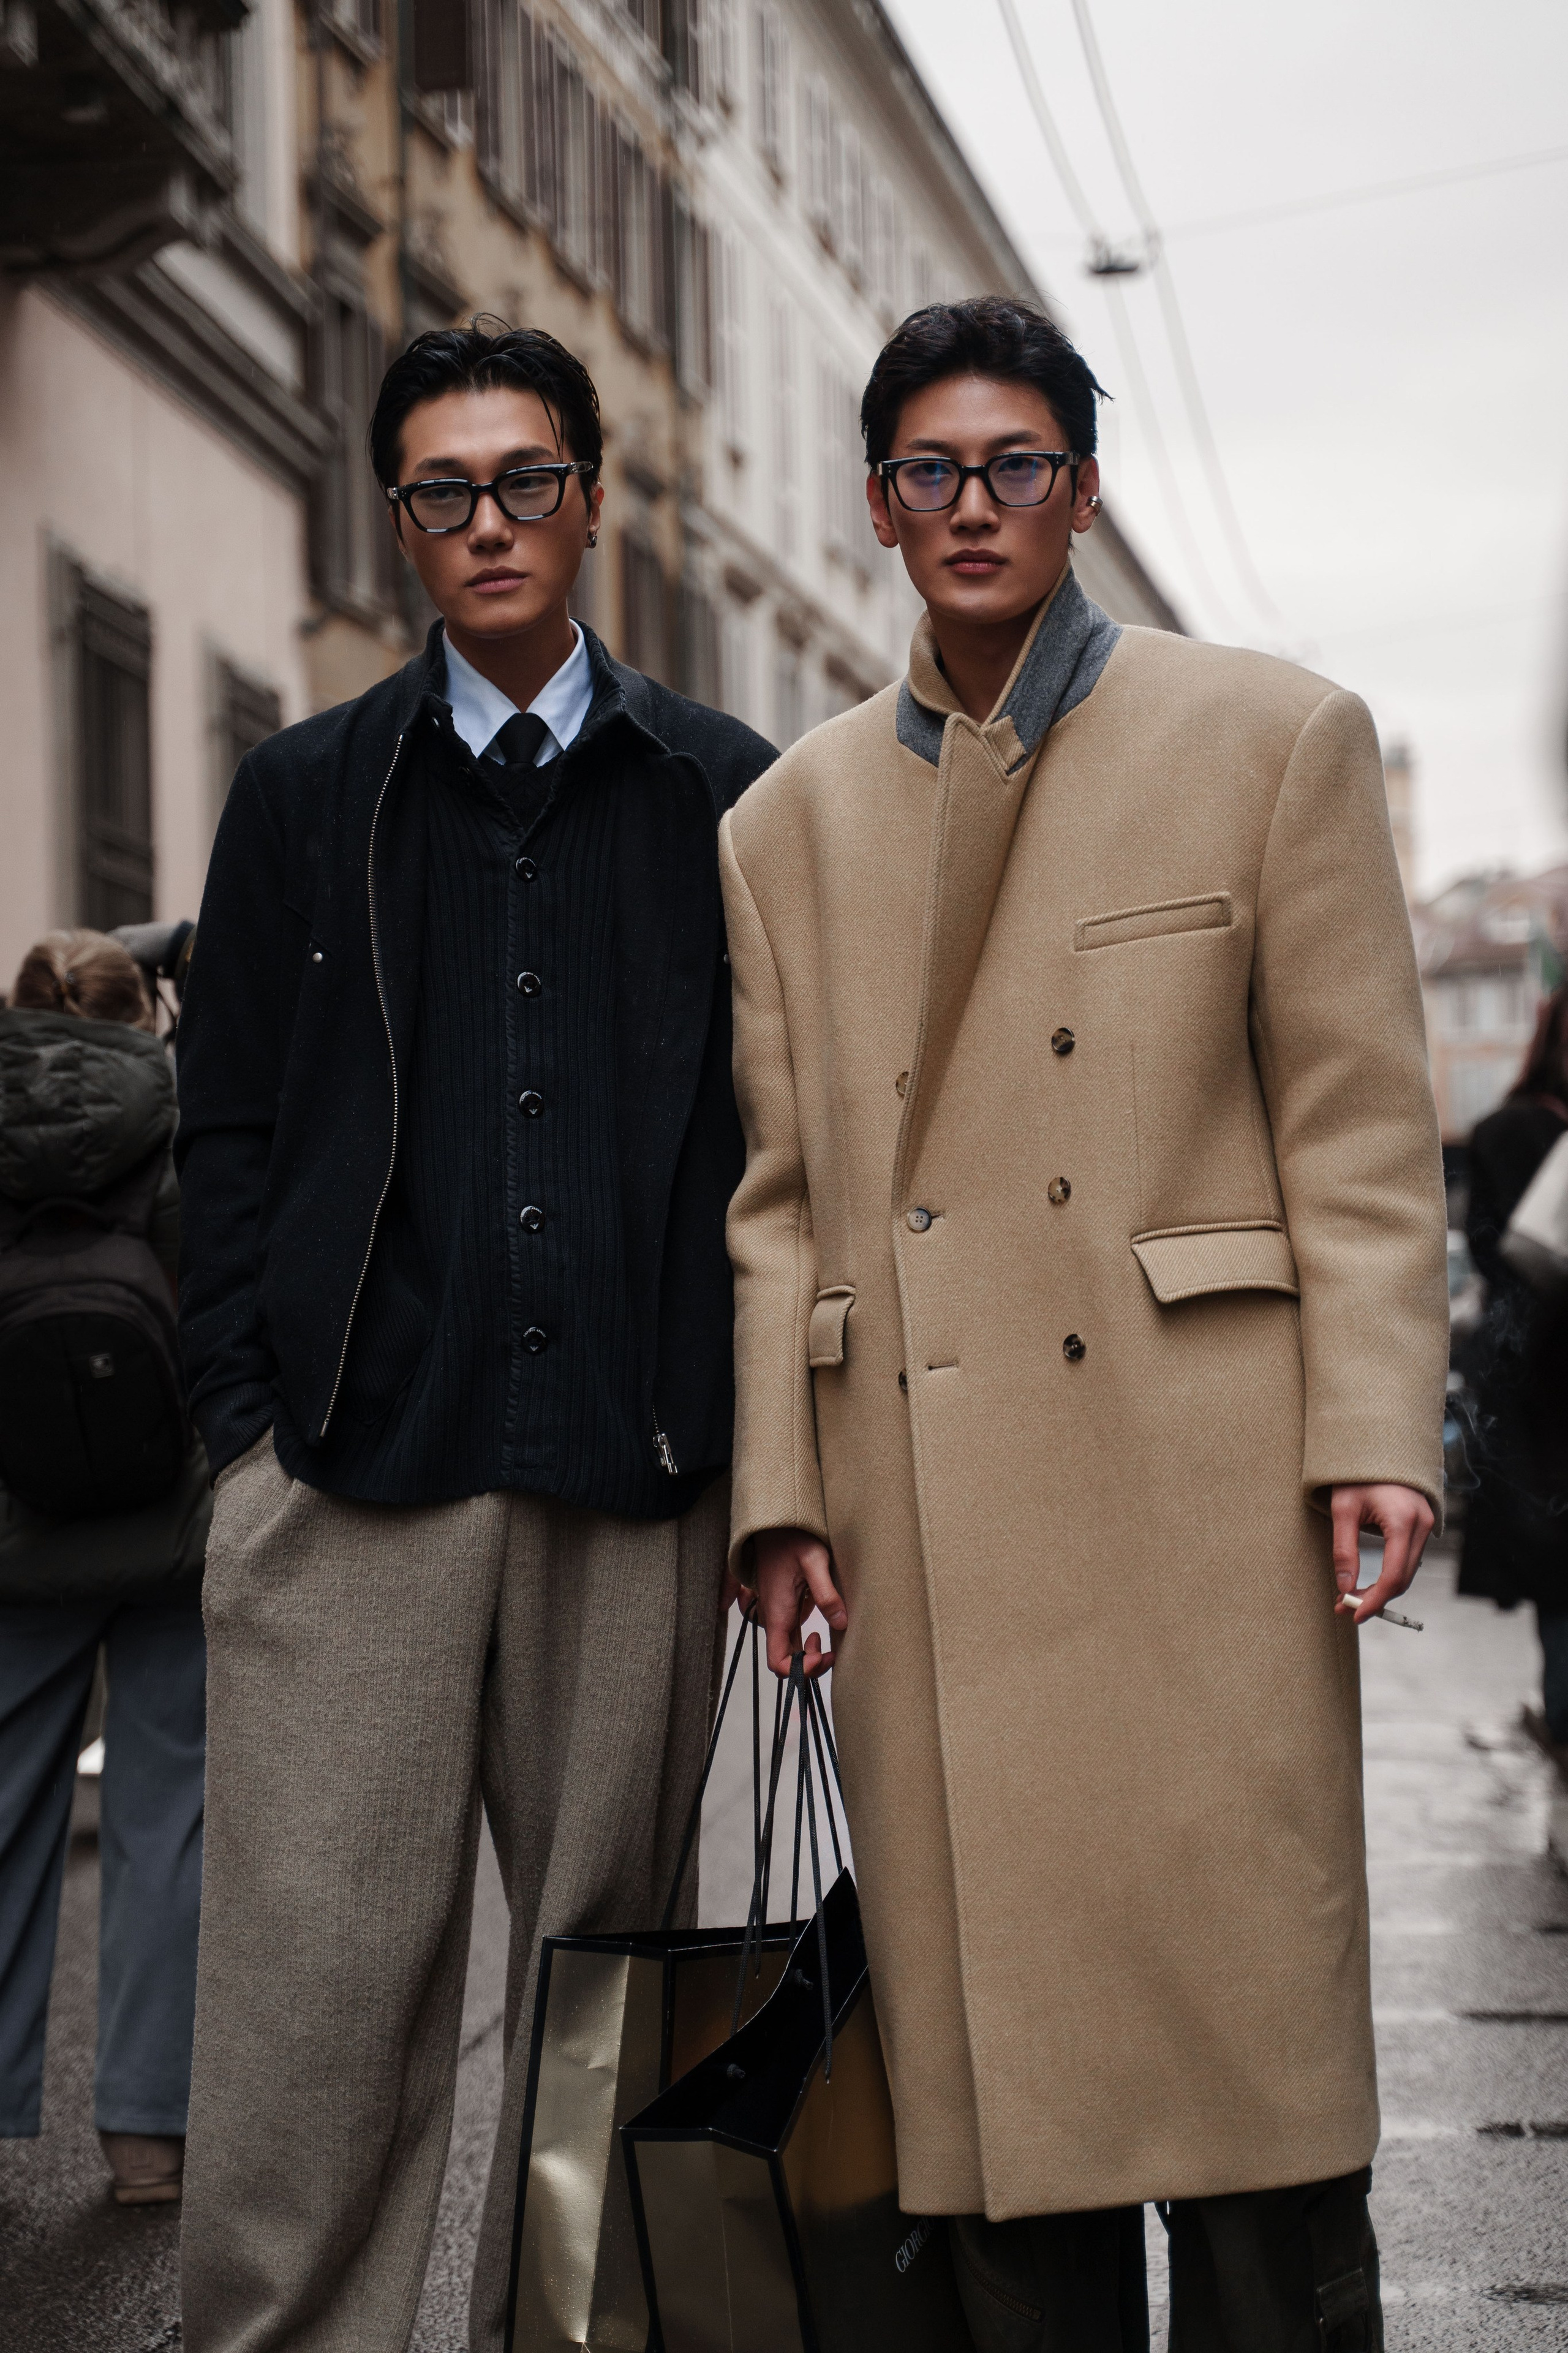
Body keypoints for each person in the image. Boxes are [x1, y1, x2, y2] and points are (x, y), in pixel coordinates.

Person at [722, 298, 1448, 2351]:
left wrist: (1376, 1428)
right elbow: (776, 1206)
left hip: (1195, 1484)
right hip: (927, 1513)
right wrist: (780, 1492)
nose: (976, 504)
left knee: (1249, 2107)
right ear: (877, 506)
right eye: (933, 470)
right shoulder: (781, 827)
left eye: (1017, 464)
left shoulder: (1268, 736)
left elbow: (1363, 1134)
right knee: (996, 2144)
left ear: (1084, 489)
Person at [173, 322, 775, 2352]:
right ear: (403, 523)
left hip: (634, 1478)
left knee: (616, 2004)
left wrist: (758, 1451)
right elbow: (229, 1127)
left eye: (527, 481)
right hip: (351, 1481)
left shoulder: (729, 794)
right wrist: (242, 1439)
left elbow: (786, 1150)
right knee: (316, 2005)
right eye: (445, 492)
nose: (490, 523)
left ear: (595, 500)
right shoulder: (304, 795)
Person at [0, 929, 209, 2207]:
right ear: (148, 1011)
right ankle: (146, 2135)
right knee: (163, 1819)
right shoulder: (180, 1125)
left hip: (13, 1532)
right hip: (168, 1525)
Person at [1458, 985, 1568, 1753]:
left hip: (1532, 1378)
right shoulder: (1516, 1133)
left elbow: (1488, 1253)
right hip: (1544, 1380)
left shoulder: (1500, 1130)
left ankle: (1561, 1715)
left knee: (1554, 1566)